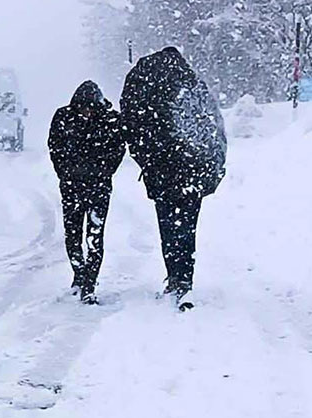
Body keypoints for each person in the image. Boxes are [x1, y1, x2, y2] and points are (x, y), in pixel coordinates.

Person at [120, 46, 226, 310]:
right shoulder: (192, 87)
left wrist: (147, 161)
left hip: (163, 175)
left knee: (168, 228)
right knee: (188, 228)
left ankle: (174, 276)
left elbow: (134, 129)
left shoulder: (148, 89)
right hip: (193, 174)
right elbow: (212, 129)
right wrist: (210, 169)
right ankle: (184, 279)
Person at [49, 81, 125, 304]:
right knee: (72, 235)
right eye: (83, 108)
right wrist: (64, 173)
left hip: (98, 187)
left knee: (95, 237)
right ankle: (79, 274)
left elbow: (118, 149)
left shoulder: (111, 121)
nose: (87, 113)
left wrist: (104, 172)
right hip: (72, 186)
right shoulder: (64, 118)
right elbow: (55, 147)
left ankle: (89, 283)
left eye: (91, 108)